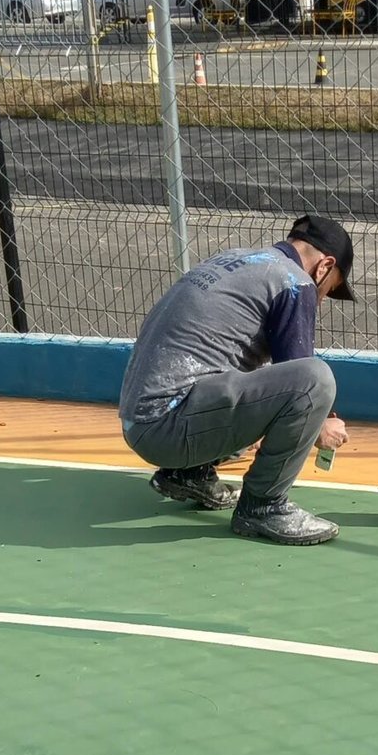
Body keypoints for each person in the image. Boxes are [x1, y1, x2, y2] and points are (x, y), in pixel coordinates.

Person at [120, 211, 354, 545]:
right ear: (325, 266)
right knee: (317, 380)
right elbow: (301, 379)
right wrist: (324, 424)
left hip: (141, 423)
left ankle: (188, 473)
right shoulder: (294, 281)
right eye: (330, 289)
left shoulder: (236, 260)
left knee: (257, 377)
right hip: (169, 427)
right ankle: (263, 506)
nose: (323, 298)